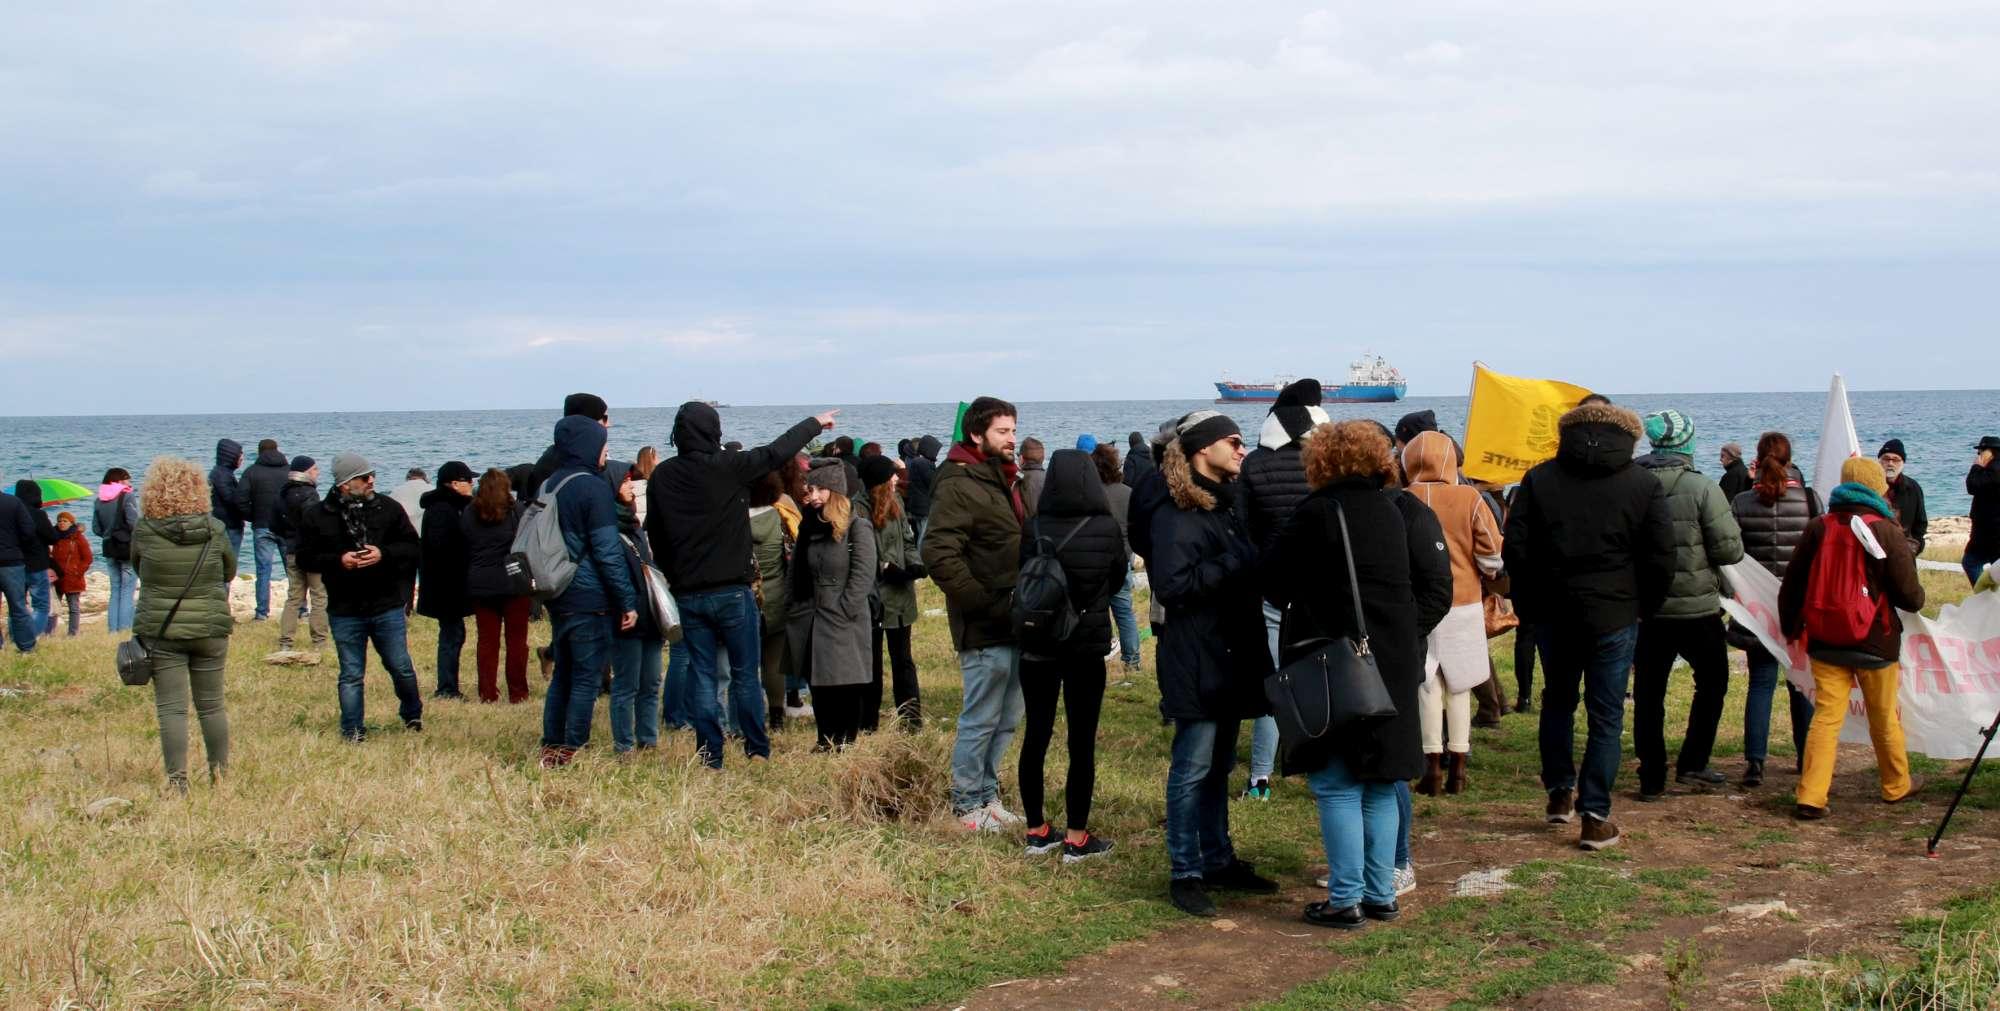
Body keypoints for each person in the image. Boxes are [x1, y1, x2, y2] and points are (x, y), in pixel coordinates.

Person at [1267, 421, 1451, 928]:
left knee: (1338, 785)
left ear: (1321, 462)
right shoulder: (1395, 510)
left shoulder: (1317, 512)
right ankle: (1381, 891)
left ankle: (1345, 897)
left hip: (1337, 660)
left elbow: (1275, 581)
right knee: (1380, 779)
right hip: (1391, 657)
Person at [1504, 401, 1674, 851]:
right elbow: (1661, 555)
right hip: (1615, 613)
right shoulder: (1643, 483)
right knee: (1606, 714)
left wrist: (1530, 602)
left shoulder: (1540, 479)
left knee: (1558, 702)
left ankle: (1560, 792)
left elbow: (1516, 549)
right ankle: (1594, 814)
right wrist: (1645, 605)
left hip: (1555, 612)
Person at [648, 401, 833, 769]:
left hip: (689, 590)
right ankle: (756, 749)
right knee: (745, 674)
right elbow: (776, 451)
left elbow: (656, 531)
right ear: (713, 430)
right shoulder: (728, 467)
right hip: (733, 589)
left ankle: (710, 754)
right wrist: (814, 423)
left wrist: (673, 574)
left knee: (702, 674)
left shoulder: (663, 476)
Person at [1151, 410, 1278, 917]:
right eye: (1233, 441)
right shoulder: (1176, 513)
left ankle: (1218, 858)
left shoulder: (1224, 505)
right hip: (1196, 657)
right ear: (1204, 449)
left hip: (1228, 652)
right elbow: (1173, 587)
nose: (1242, 449)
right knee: (1193, 766)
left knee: (1219, 765)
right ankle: (1186, 872)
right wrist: (1238, 562)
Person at [1780, 457, 1925, 819]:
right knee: (1883, 716)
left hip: (1826, 639)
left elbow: (1793, 585)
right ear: (1878, 487)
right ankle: (1895, 785)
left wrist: (1789, 627)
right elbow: (1910, 596)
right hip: (1876, 639)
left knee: (1826, 718)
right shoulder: (1886, 529)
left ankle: (1811, 795)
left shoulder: (1819, 526)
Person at [922, 396, 1028, 831]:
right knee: (981, 717)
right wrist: (981, 602)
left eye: (1014, 431)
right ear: (976, 434)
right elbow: (937, 552)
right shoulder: (959, 482)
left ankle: (987, 796)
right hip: (984, 623)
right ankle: (967, 805)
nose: (1011, 439)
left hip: (1016, 620)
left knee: (1006, 719)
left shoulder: (1002, 479)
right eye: (1003, 431)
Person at [1018, 449, 1128, 863]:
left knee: (1036, 735)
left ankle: (1036, 830)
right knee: (1081, 742)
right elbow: (1117, 579)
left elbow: (1023, 575)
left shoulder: (1035, 525)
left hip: (1037, 643)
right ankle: (1077, 837)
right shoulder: (1104, 527)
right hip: (1084, 644)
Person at [1630, 410, 1745, 800]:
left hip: (1648, 609)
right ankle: (1693, 763)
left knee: (1648, 693)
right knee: (1712, 684)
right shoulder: (1702, 488)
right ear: (1688, 445)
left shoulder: (1631, 482)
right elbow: (1730, 548)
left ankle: (1652, 776)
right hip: (1698, 610)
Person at [1234, 378, 1330, 800]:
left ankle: (1260, 778)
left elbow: (1242, 526)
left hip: (1272, 585)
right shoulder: (1324, 463)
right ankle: (1320, 764)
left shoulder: (1254, 464)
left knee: (1277, 680)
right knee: (1325, 678)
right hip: (1318, 585)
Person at [1401, 431, 1503, 796]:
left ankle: (1431, 766)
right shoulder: (1470, 497)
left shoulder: (1402, 499)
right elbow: (1492, 556)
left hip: (1418, 603)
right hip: (1463, 601)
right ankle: (1459, 765)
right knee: (1460, 685)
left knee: (1426, 685)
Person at [296, 452, 424, 742]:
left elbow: (412, 547)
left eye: (372, 476)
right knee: (351, 673)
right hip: (345, 606)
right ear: (345, 484)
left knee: (400, 665)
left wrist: (384, 553)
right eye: (365, 478)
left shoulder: (388, 508)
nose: (371, 481)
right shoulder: (317, 515)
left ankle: (412, 712)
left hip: (386, 602)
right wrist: (340, 560)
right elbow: (304, 557)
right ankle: (352, 730)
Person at [130, 456, 237, 792]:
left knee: (172, 710)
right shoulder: (215, 529)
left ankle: (178, 781)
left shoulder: (145, 531)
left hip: (162, 630)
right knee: (212, 706)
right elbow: (229, 571)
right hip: (209, 627)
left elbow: (138, 569)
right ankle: (220, 776)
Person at [539, 417, 639, 766]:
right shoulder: (592, 488)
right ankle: (571, 747)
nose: (606, 453)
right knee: (585, 675)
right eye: (603, 446)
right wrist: (626, 599)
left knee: (563, 671)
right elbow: (607, 550)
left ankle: (551, 743)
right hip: (588, 594)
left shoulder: (550, 483)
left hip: (557, 587)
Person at [1730, 432, 1820, 786]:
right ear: (1790, 458)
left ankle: (1755, 762)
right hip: (1799, 605)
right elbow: (1820, 551)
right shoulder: (1810, 500)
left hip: (1758, 606)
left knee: (1760, 684)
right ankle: (1806, 757)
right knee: (1801, 684)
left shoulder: (1741, 502)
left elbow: (1732, 554)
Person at [789, 459, 877, 750]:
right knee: (819, 680)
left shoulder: (857, 526)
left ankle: (845, 740)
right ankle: (825, 739)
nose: (812, 496)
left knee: (845, 682)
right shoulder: (809, 526)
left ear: (835, 491)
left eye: (819, 490)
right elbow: (796, 571)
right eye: (809, 489)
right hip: (812, 615)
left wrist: (845, 609)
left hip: (843, 617)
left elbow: (863, 574)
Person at [608, 460, 667, 754]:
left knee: (652, 682)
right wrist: (625, 605)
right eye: (625, 481)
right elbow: (613, 572)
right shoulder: (608, 528)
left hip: (650, 613)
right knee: (626, 684)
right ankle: (624, 745)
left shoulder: (634, 525)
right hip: (628, 616)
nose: (631, 486)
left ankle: (648, 740)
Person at [863, 454, 924, 730]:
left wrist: (915, 564)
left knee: (903, 660)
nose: (897, 478)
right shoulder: (859, 509)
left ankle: (911, 718)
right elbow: (860, 551)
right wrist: (883, 567)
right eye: (892, 476)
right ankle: (868, 720)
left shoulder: (896, 502)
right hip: (873, 597)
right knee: (871, 663)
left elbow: (908, 538)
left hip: (900, 596)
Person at [462, 469, 532, 704]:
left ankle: (487, 693)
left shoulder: (470, 512)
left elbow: (464, 543)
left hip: (481, 582)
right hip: (513, 581)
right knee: (517, 641)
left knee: (487, 641)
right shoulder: (516, 511)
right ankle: (518, 692)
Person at [416, 461, 476, 699]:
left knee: (454, 634)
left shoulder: (448, 507)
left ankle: (449, 685)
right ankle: (447, 687)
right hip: (446, 585)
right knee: (451, 636)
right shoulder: (443, 509)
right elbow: (442, 548)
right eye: (467, 480)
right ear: (453, 483)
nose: (472, 484)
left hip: (446, 583)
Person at [749, 470, 798, 729]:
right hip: (777, 595)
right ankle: (777, 714)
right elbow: (790, 554)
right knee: (773, 661)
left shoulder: (734, 520)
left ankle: (747, 715)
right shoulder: (779, 517)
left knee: (744, 663)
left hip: (747, 597)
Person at [1094, 444, 1143, 674]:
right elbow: (1135, 527)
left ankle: (1099, 653)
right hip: (1122, 557)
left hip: (1097, 558)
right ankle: (1132, 661)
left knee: (1098, 610)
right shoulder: (1128, 492)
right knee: (1124, 610)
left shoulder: (1093, 494)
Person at [271, 457, 330, 651]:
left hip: (291, 549)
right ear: (305, 472)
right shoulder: (310, 494)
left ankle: (285, 642)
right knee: (319, 596)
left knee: (294, 597)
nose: (317, 472)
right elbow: (316, 524)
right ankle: (320, 641)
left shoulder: (282, 493)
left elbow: (274, 524)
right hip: (311, 553)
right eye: (314, 469)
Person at [241, 438, 292, 621]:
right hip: (286, 526)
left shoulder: (251, 472)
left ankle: (262, 612)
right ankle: (300, 609)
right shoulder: (288, 471)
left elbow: (240, 500)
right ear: (277, 450)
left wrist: (252, 516)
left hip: (262, 525)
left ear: (259, 451)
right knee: (292, 570)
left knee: (263, 570)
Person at [11, 481, 59, 640]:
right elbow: (52, 537)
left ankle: (15, 637)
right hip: (37, 563)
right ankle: (30, 637)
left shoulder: (12, 512)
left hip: (15, 564)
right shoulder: (38, 514)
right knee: (40, 605)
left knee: (17, 605)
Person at [94, 468, 140, 633]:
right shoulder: (127, 496)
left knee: (115, 589)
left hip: (109, 547)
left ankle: (112, 630)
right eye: (128, 480)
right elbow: (134, 523)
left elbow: (96, 529)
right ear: (120, 481)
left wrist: (108, 534)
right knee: (128, 589)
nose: (130, 483)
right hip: (126, 547)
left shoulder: (99, 500)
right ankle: (124, 628)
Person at [0, 475, 37, 654]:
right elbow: (28, 530)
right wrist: (17, 545)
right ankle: (26, 646)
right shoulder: (13, 503)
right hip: (11, 560)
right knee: (18, 606)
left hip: (11, 558)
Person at [1877, 439, 1927, 556]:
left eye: (1895, 460)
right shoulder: (1870, 486)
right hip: (1875, 552)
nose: (1890, 463)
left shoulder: (1913, 487)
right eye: (1886, 459)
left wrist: (1914, 547)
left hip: (1904, 553)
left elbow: (1921, 522)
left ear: (1902, 463)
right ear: (1879, 461)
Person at [50, 512, 92, 636]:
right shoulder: (54, 536)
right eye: (60, 521)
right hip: (57, 577)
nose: (62, 523)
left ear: (71, 523)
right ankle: (50, 632)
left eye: (65, 521)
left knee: (73, 607)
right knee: (53, 607)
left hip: (73, 577)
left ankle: (73, 633)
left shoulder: (78, 538)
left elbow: (87, 558)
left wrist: (77, 571)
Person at [1965, 436, 2000, 586]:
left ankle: (1985, 597)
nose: (1978, 455)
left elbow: (1972, 486)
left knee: (1970, 562)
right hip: (1990, 530)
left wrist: (1976, 467)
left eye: (1980, 452)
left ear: (1990, 452)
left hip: (1989, 531)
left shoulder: (1994, 469)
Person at [208, 439, 248, 559]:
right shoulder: (222, 475)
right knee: (229, 560)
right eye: (239, 455)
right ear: (230, 457)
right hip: (228, 526)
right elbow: (231, 500)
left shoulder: (221, 473)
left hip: (225, 524)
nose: (242, 458)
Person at [904, 435, 941, 544]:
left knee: (921, 533)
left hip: (918, 506)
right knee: (924, 536)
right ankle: (920, 559)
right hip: (924, 507)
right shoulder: (923, 463)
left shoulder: (917, 462)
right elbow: (933, 482)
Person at [388, 468, 432, 536]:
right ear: (425, 478)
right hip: (427, 536)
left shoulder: (396, 491)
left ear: (407, 478)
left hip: (403, 536)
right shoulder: (432, 489)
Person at [1018, 438, 1048, 520]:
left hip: (1024, 529)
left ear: (1021, 458)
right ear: (1042, 459)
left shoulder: (1017, 481)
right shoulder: (1050, 478)